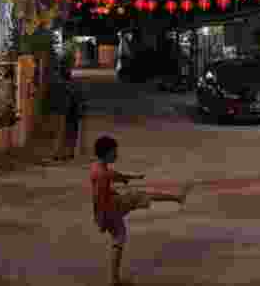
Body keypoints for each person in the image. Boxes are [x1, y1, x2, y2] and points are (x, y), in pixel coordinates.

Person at [90, 135, 189, 286]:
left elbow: (114, 175)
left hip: (110, 208)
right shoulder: (102, 174)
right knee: (142, 196)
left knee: (120, 238)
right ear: (107, 153)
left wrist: (130, 177)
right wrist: (101, 217)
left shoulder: (97, 167)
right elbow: (99, 195)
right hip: (112, 208)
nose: (117, 154)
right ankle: (177, 198)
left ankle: (114, 280)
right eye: (114, 152)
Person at [60, 77, 85, 160]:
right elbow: (81, 105)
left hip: (69, 116)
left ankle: (67, 153)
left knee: (67, 135)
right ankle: (70, 153)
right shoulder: (77, 93)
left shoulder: (67, 93)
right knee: (72, 136)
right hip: (73, 117)